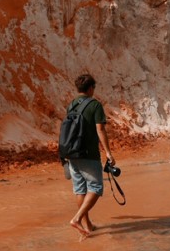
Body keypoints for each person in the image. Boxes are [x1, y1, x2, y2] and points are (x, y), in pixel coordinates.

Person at [65, 74, 115, 241]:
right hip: (89, 154)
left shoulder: (71, 105)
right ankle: (77, 218)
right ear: (91, 88)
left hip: (72, 154)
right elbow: (100, 129)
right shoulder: (95, 105)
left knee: (80, 189)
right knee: (95, 187)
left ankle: (87, 225)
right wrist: (108, 152)